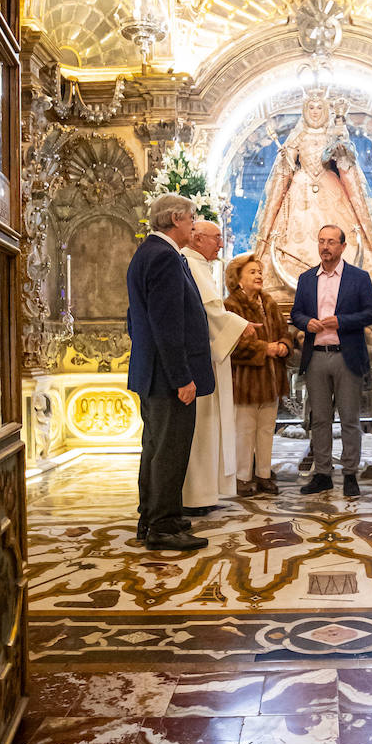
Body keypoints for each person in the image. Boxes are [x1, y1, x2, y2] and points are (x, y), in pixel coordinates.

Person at [126, 193, 215, 551]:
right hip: (167, 378)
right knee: (169, 452)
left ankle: (155, 516)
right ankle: (162, 527)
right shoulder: (163, 256)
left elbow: (135, 319)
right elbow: (167, 323)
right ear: (176, 218)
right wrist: (182, 377)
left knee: (155, 448)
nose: (193, 225)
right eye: (191, 218)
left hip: (153, 373)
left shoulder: (148, 252)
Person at [254, 91, 372, 295]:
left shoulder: (333, 134)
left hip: (330, 185)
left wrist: (341, 149)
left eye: (319, 108)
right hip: (301, 188)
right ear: (305, 111)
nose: (315, 112)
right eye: (311, 108)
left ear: (326, 111)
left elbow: (344, 161)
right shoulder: (299, 137)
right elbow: (288, 167)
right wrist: (286, 158)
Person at [290, 223, 372, 497]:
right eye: (321, 241)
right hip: (316, 357)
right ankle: (323, 474)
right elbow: (296, 313)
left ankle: (350, 474)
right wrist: (307, 323)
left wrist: (342, 321)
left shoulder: (359, 277)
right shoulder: (307, 278)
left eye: (331, 242)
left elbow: (371, 313)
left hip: (346, 356)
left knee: (350, 419)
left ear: (342, 246)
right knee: (319, 419)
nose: (325, 247)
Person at [180, 219, 256, 515]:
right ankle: (195, 496)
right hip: (198, 362)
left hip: (207, 359)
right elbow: (210, 312)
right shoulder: (190, 262)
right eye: (216, 238)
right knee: (201, 428)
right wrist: (240, 326)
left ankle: (205, 493)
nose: (221, 244)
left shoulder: (198, 264)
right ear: (197, 238)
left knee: (208, 427)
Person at [224, 252, 292, 495]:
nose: (258, 276)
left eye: (260, 272)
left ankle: (264, 475)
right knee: (244, 432)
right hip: (246, 382)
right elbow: (232, 345)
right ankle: (242, 478)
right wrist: (265, 349)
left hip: (271, 380)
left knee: (266, 430)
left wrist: (284, 345)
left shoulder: (269, 302)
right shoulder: (230, 306)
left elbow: (284, 332)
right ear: (238, 279)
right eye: (252, 272)